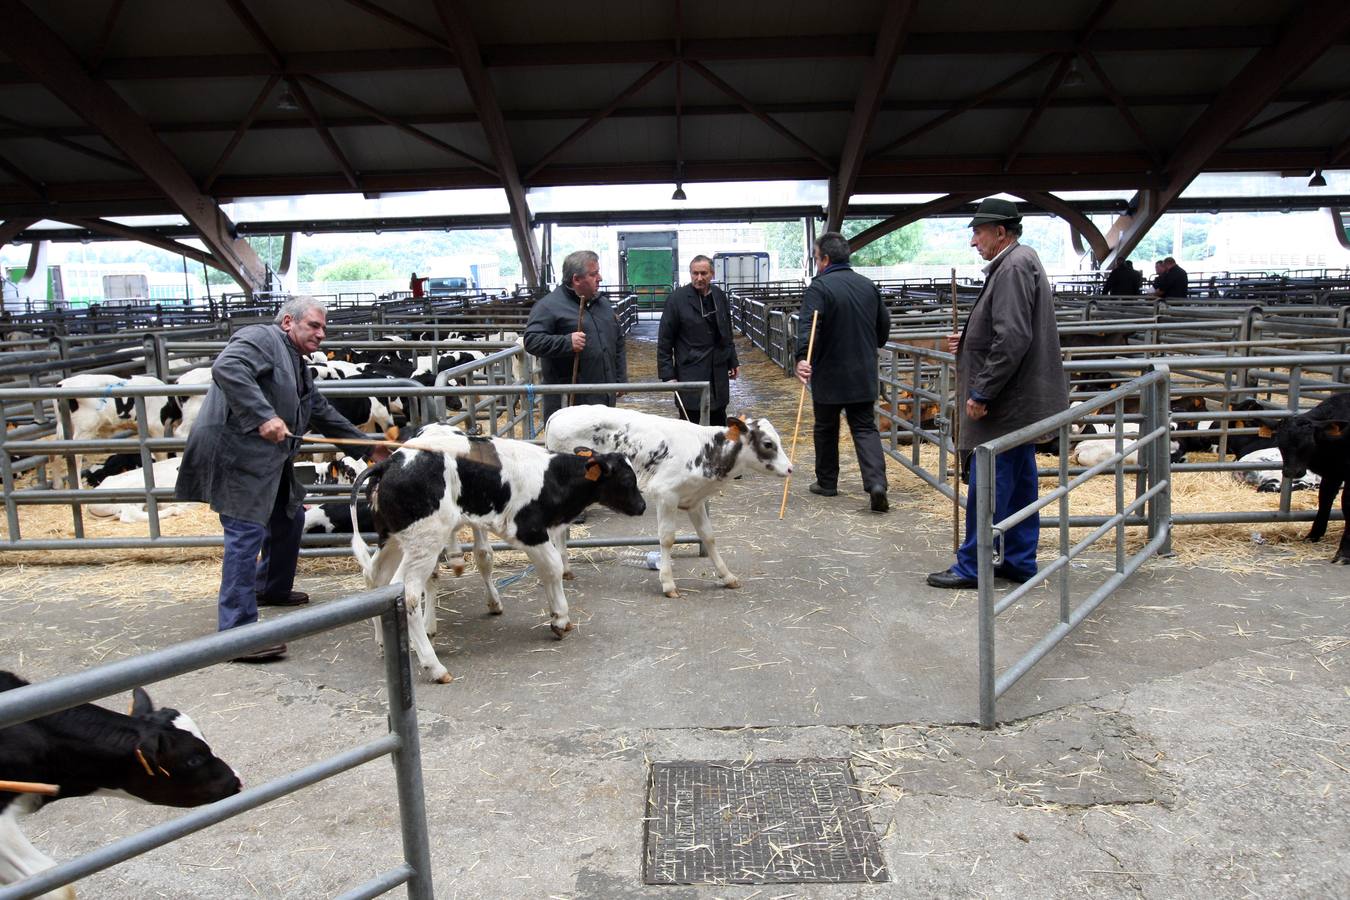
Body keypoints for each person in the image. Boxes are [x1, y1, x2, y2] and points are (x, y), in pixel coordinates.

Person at [175, 296, 385, 661]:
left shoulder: (297, 363)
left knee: (290, 515)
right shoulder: (261, 338)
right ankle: (236, 634)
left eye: (324, 328)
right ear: (288, 322)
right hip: (237, 451)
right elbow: (227, 367)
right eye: (314, 326)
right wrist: (261, 416)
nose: (321, 334)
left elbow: (318, 409)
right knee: (245, 533)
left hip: (269, 457)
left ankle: (269, 587)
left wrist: (368, 448)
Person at [927, 198, 1068, 589]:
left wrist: (982, 391)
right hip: (1020, 399)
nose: (974, 241)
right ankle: (1020, 559)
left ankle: (972, 565)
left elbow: (1012, 337)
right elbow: (1004, 329)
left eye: (978, 232)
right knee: (1020, 480)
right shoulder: (1020, 261)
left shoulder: (1013, 267)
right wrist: (970, 339)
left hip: (1007, 402)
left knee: (989, 480)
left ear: (1000, 232)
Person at [794, 232, 891, 513]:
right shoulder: (867, 286)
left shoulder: (819, 288)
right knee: (864, 428)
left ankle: (827, 482)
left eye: (816, 258)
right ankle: (876, 484)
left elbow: (809, 328)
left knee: (826, 428)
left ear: (824, 259)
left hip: (828, 373)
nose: (816, 262)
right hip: (862, 372)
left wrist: (802, 357)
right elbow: (883, 328)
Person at [523, 249, 626, 424]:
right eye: (594, 274)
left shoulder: (603, 304)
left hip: (603, 396)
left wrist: (620, 379)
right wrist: (566, 342)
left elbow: (617, 341)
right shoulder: (549, 306)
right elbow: (531, 341)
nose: (599, 278)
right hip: (568, 401)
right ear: (576, 279)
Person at [657, 255, 739, 424]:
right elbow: (665, 340)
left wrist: (732, 360)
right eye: (695, 273)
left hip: (718, 369)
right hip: (691, 370)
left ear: (712, 274)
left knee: (718, 424)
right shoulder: (677, 299)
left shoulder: (719, 295)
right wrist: (668, 375)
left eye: (704, 273)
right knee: (690, 425)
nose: (699, 278)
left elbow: (726, 331)